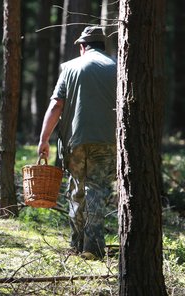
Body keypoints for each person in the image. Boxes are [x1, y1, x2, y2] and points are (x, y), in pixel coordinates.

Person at [37, 26, 117, 260]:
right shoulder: (118, 68)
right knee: (97, 189)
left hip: (75, 141)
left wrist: (44, 139)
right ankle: (93, 246)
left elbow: (56, 106)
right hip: (106, 141)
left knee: (76, 190)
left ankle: (77, 243)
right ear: (103, 46)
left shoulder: (70, 67)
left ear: (83, 47)